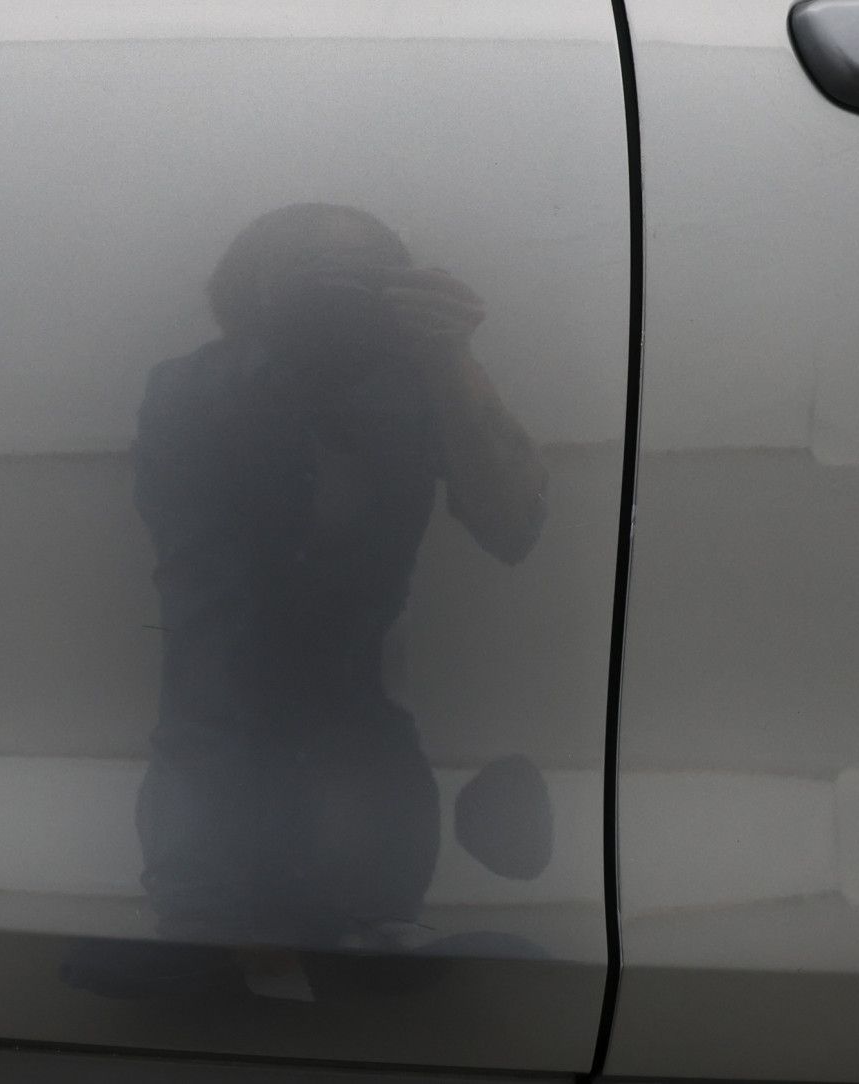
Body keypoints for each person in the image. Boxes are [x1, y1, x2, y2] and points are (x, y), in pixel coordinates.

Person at [67, 203, 547, 997]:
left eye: (357, 281)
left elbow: (513, 525)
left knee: (320, 992)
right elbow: (218, 582)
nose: (332, 297)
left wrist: (448, 355)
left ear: (396, 294)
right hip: (225, 776)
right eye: (308, 277)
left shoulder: (414, 387)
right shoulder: (194, 391)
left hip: (340, 778)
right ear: (251, 292)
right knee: (240, 985)